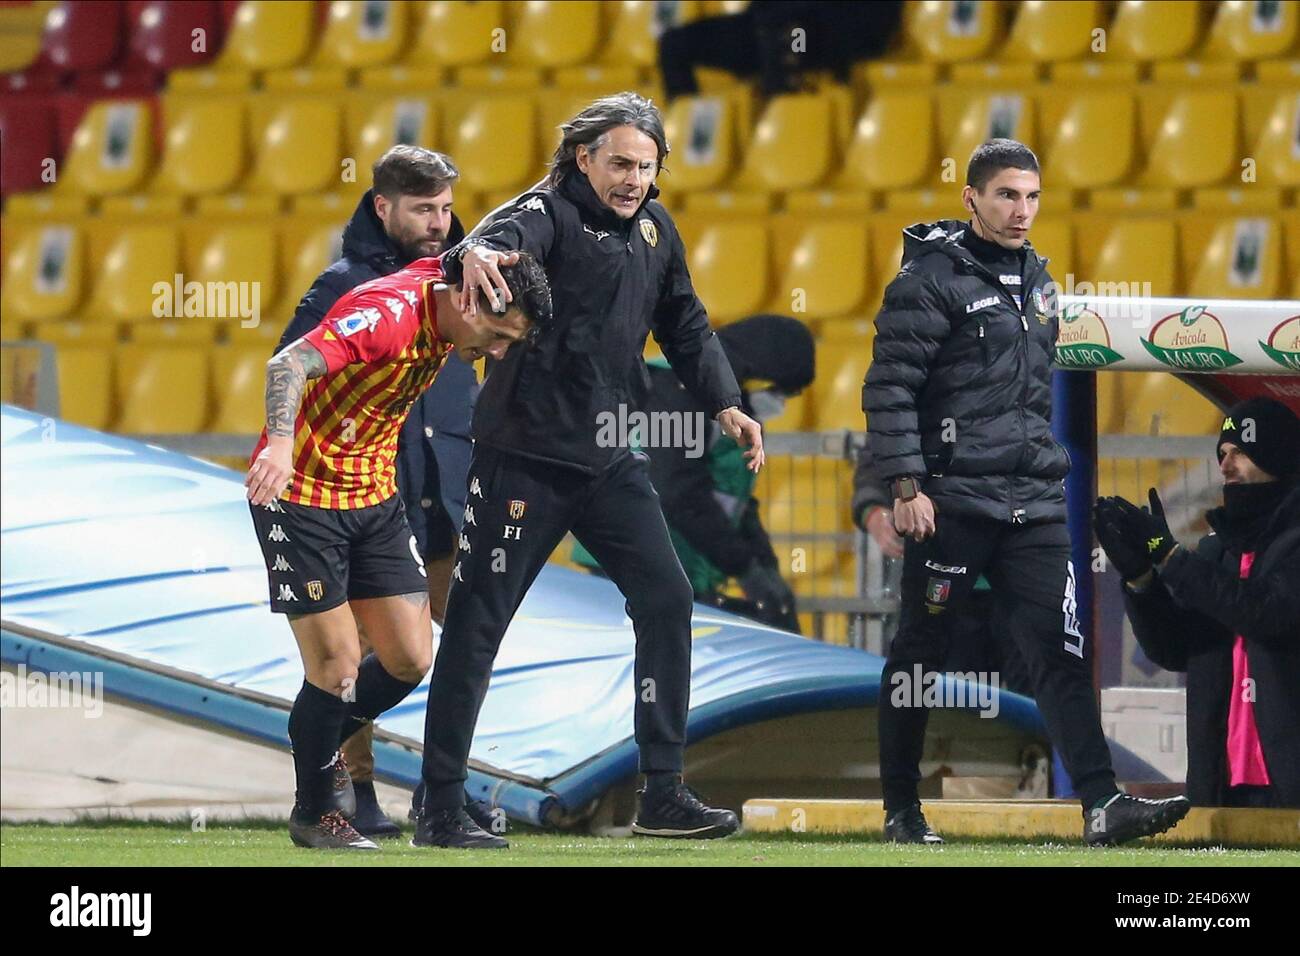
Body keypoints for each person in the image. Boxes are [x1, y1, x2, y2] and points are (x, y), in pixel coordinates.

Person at [413, 92, 764, 849]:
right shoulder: (543, 212)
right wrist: (465, 253)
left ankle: (662, 791)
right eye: (620, 164)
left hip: (607, 453)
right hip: (523, 457)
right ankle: (439, 804)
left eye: (646, 166)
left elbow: (686, 323)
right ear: (583, 157)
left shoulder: (654, 229)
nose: (634, 179)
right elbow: (481, 246)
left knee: (668, 598)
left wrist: (727, 404)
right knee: (476, 626)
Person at [862, 138, 1190, 846]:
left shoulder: (1040, 281)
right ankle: (900, 810)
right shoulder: (928, 282)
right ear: (971, 198)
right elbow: (889, 389)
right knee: (920, 653)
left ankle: (1103, 804)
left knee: (1060, 650)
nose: (1022, 210)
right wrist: (904, 484)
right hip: (953, 501)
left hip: (1032, 502)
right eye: (1007, 195)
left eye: (1032, 196)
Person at [245, 253, 552, 850]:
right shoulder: (386, 315)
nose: (496, 351)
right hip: (302, 497)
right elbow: (289, 363)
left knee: (411, 658)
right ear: (468, 303)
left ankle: (319, 741)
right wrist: (279, 444)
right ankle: (315, 813)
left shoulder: (456, 282)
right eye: (495, 335)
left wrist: (476, 251)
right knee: (336, 670)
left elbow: (464, 249)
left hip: (374, 496)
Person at [274, 144, 488, 838]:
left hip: (439, 493)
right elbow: (292, 367)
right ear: (382, 206)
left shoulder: (466, 277)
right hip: (347, 492)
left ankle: (444, 790)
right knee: (344, 659)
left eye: (447, 208)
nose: (439, 222)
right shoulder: (343, 286)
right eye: (424, 208)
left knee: (426, 652)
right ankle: (344, 792)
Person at [1096, 398, 1300, 809]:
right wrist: (1142, 579)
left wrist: (1172, 557)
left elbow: (1264, 611)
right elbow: (1172, 648)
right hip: (1220, 785)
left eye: (1240, 452)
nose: (1225, 466)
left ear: (1277, 455)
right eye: (1222, 454)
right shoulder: (1216, 549)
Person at [573, 313, 812, 632]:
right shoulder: (673, 390)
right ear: (760, 370)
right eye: (782, 391)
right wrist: (743, 566)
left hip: (679, 563)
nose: (780, 402)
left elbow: (733, 500)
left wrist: (763, 565)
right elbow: (677, 493)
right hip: (628, 560)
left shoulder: (729, 408)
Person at [852, 443, 1032, 697]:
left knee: (1035, 710)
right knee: (954, 707)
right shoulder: (925, 412)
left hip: (1021, 580)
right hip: (944, 580)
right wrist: (873, 509)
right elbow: (886, 446)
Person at [658, 1, 903, 101]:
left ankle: (785, 117)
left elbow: (875, 22)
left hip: (827, 34)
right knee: (675, 43)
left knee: (787, 29)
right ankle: (682, 135)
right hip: (768, 28)